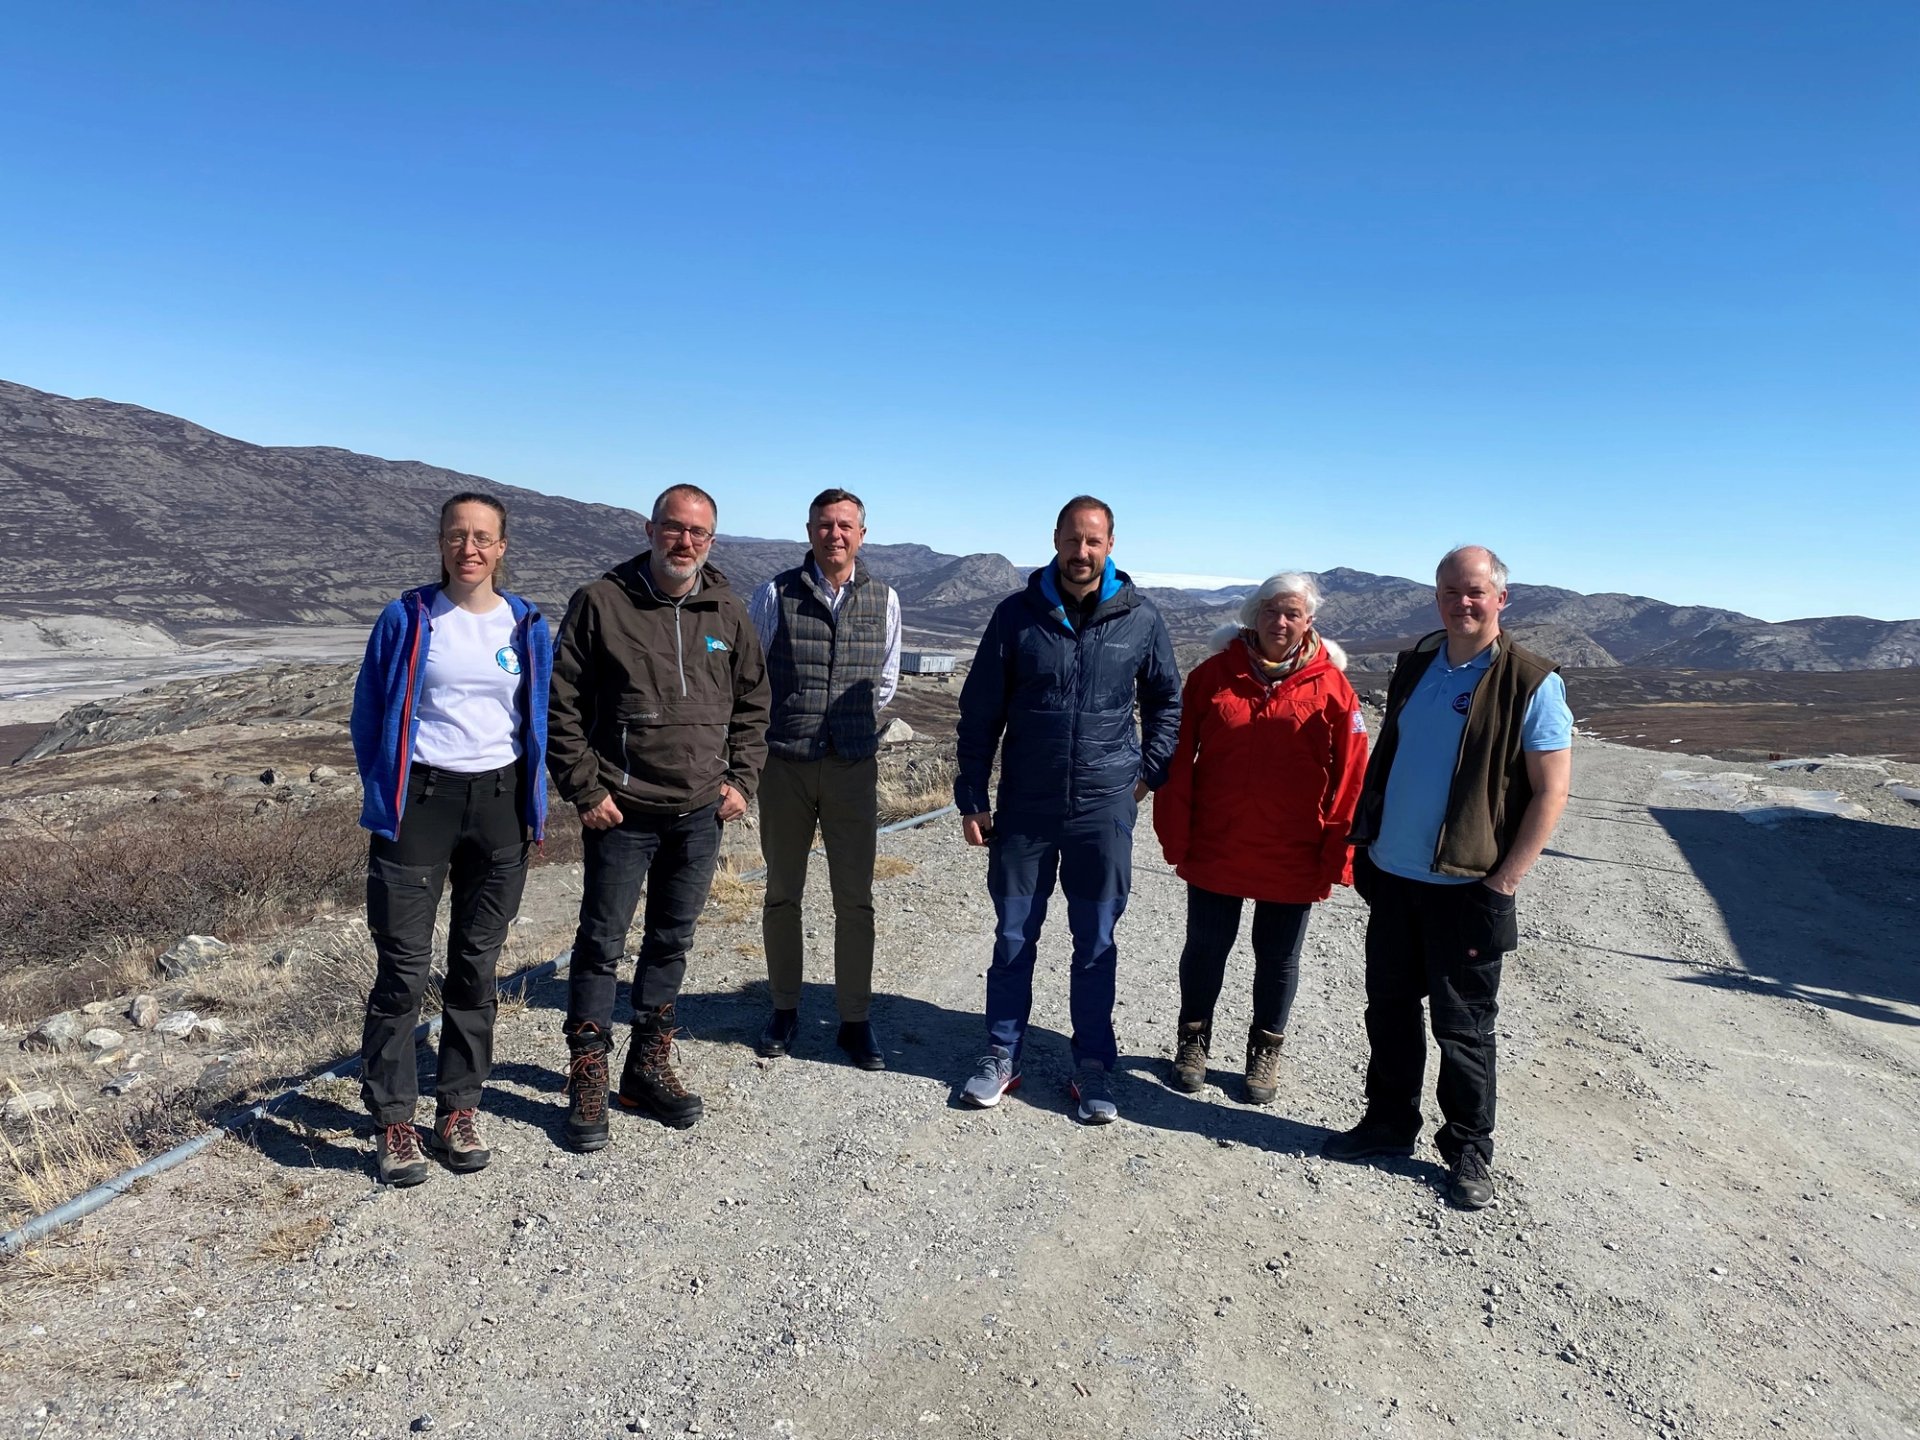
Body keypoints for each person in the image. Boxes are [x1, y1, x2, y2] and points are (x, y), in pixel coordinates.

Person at [1323, 545, 1572, 1210]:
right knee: (1390, 1010)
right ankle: (1387, 1123)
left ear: (1501, 599)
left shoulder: (1530, 681)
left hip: (1468, 885)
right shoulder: (1417, 665)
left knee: (1463, 1028)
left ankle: (1467, 1149)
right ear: (1436, 598)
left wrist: (1504, 883)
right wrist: (1368, 844)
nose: (1463, 602)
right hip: (1393, 874)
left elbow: (1551, 791)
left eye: (1475, 591)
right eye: (1450, 592)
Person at [546, 484, 770, 1149]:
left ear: (711, 541)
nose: (685, 542)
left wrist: (742, 781)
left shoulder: (727, 610)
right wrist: (586, 790)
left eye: (698, 532)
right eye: (674, 528)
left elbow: (754, 703)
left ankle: (646, 1067)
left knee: (672, 940)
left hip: (700, 812)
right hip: (621, 811)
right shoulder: (601, 602)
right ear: (650, 530)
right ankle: (588, 1073)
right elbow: (561, 705)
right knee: (601, 943)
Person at [954, 496, 1181, 1124]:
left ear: (1110, 544)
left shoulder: (1141, 618)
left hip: (1103, 812)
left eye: (1094, 541)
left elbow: (1167, 702)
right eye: (1073, 539)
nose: (1082, 552)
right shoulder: (1015, 615)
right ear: (1055, 538)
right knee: (1012, 936)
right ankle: (1002, 1054)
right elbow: (980, 712)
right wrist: (972, 796)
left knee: (1096, 942)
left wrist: (1147, 773)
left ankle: (1093, 1066)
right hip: (1025, 808)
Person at [349, 491, 551, 1187]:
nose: (470, 548)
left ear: (502, 547)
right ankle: (392, 1118)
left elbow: (538, 716)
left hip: (499, 806)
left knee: (475, 966)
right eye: (458, 535)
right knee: (403, 970)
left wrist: (535, 804)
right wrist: (387, 787)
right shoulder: (407, 618)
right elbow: (370, 712)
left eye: (483, 537)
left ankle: (458, 1108)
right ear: (440, 542)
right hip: (421, 805)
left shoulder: (526, 624)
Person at [1152, 572, 1367, 1105]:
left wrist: (1338, 851)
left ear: (1309, 621)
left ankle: (1264, 1051)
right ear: (1253, 615)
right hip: (1218, 841)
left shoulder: (1333, 687)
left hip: (1293, 849)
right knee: (1206, 949)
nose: (1281, 622)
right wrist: (1174, 831)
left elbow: (1352, 776)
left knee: (1278, 959)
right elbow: (1178, 759)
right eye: (1271, 610)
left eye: (1292, 613)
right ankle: (1192, 1042)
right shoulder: (1212, 675)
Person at [747, 488, 903, 1070]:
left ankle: (854, 1020)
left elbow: (884, 681)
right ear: (809, 530)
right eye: (824, 524)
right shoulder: (774, 594)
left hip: (852, 768)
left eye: (845, 525)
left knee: (855, 898)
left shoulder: (885, 599)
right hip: (785, 765)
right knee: (782, 892)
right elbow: (751, 672)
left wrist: (847, 725)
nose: (834, 534)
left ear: (862, 534)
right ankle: (784, 1009)